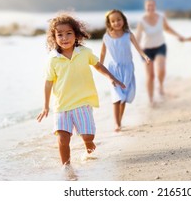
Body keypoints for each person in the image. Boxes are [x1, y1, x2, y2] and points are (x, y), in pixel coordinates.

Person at [36, 12, 125, 169]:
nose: (65, 38)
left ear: (76, 35)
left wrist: (111, 77)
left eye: (69, 33)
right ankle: (67, 168)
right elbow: (48, 83)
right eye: (60, 35)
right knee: (63, 139)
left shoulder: (84, 52)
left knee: (88, 137)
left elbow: (98, 65)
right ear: (54, 38)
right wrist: (45, 106)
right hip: (61, 106)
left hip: (82, 103)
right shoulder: (52, 59)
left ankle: (91, 157)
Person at [100, 9, 150, 132]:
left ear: (123, 20)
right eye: (113, 21)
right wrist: (100, 66)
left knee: (123, 98)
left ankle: (119, 122)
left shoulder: (128, 34)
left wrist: (145, 57)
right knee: (116, 97)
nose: (116, 22)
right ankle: (116, 123)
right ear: (109, 23)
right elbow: (102, 53)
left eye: (118, 20)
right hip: (114, 70)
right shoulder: (106, 37)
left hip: (128, 69)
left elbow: (139, 49)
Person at [135, 0, 183, 106]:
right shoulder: (142, 20)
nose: (150, 8)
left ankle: (160, 86)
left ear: (155, 6)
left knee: (161, 70)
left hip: (160, 46)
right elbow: (138, 36)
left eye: (152, 5)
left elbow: (168, 29)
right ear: (145, 7)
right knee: (150, 76)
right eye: (148, 6)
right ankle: (151, 100)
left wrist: (178, 36)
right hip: (146, 50)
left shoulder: (161, 17)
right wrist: (138, 49)